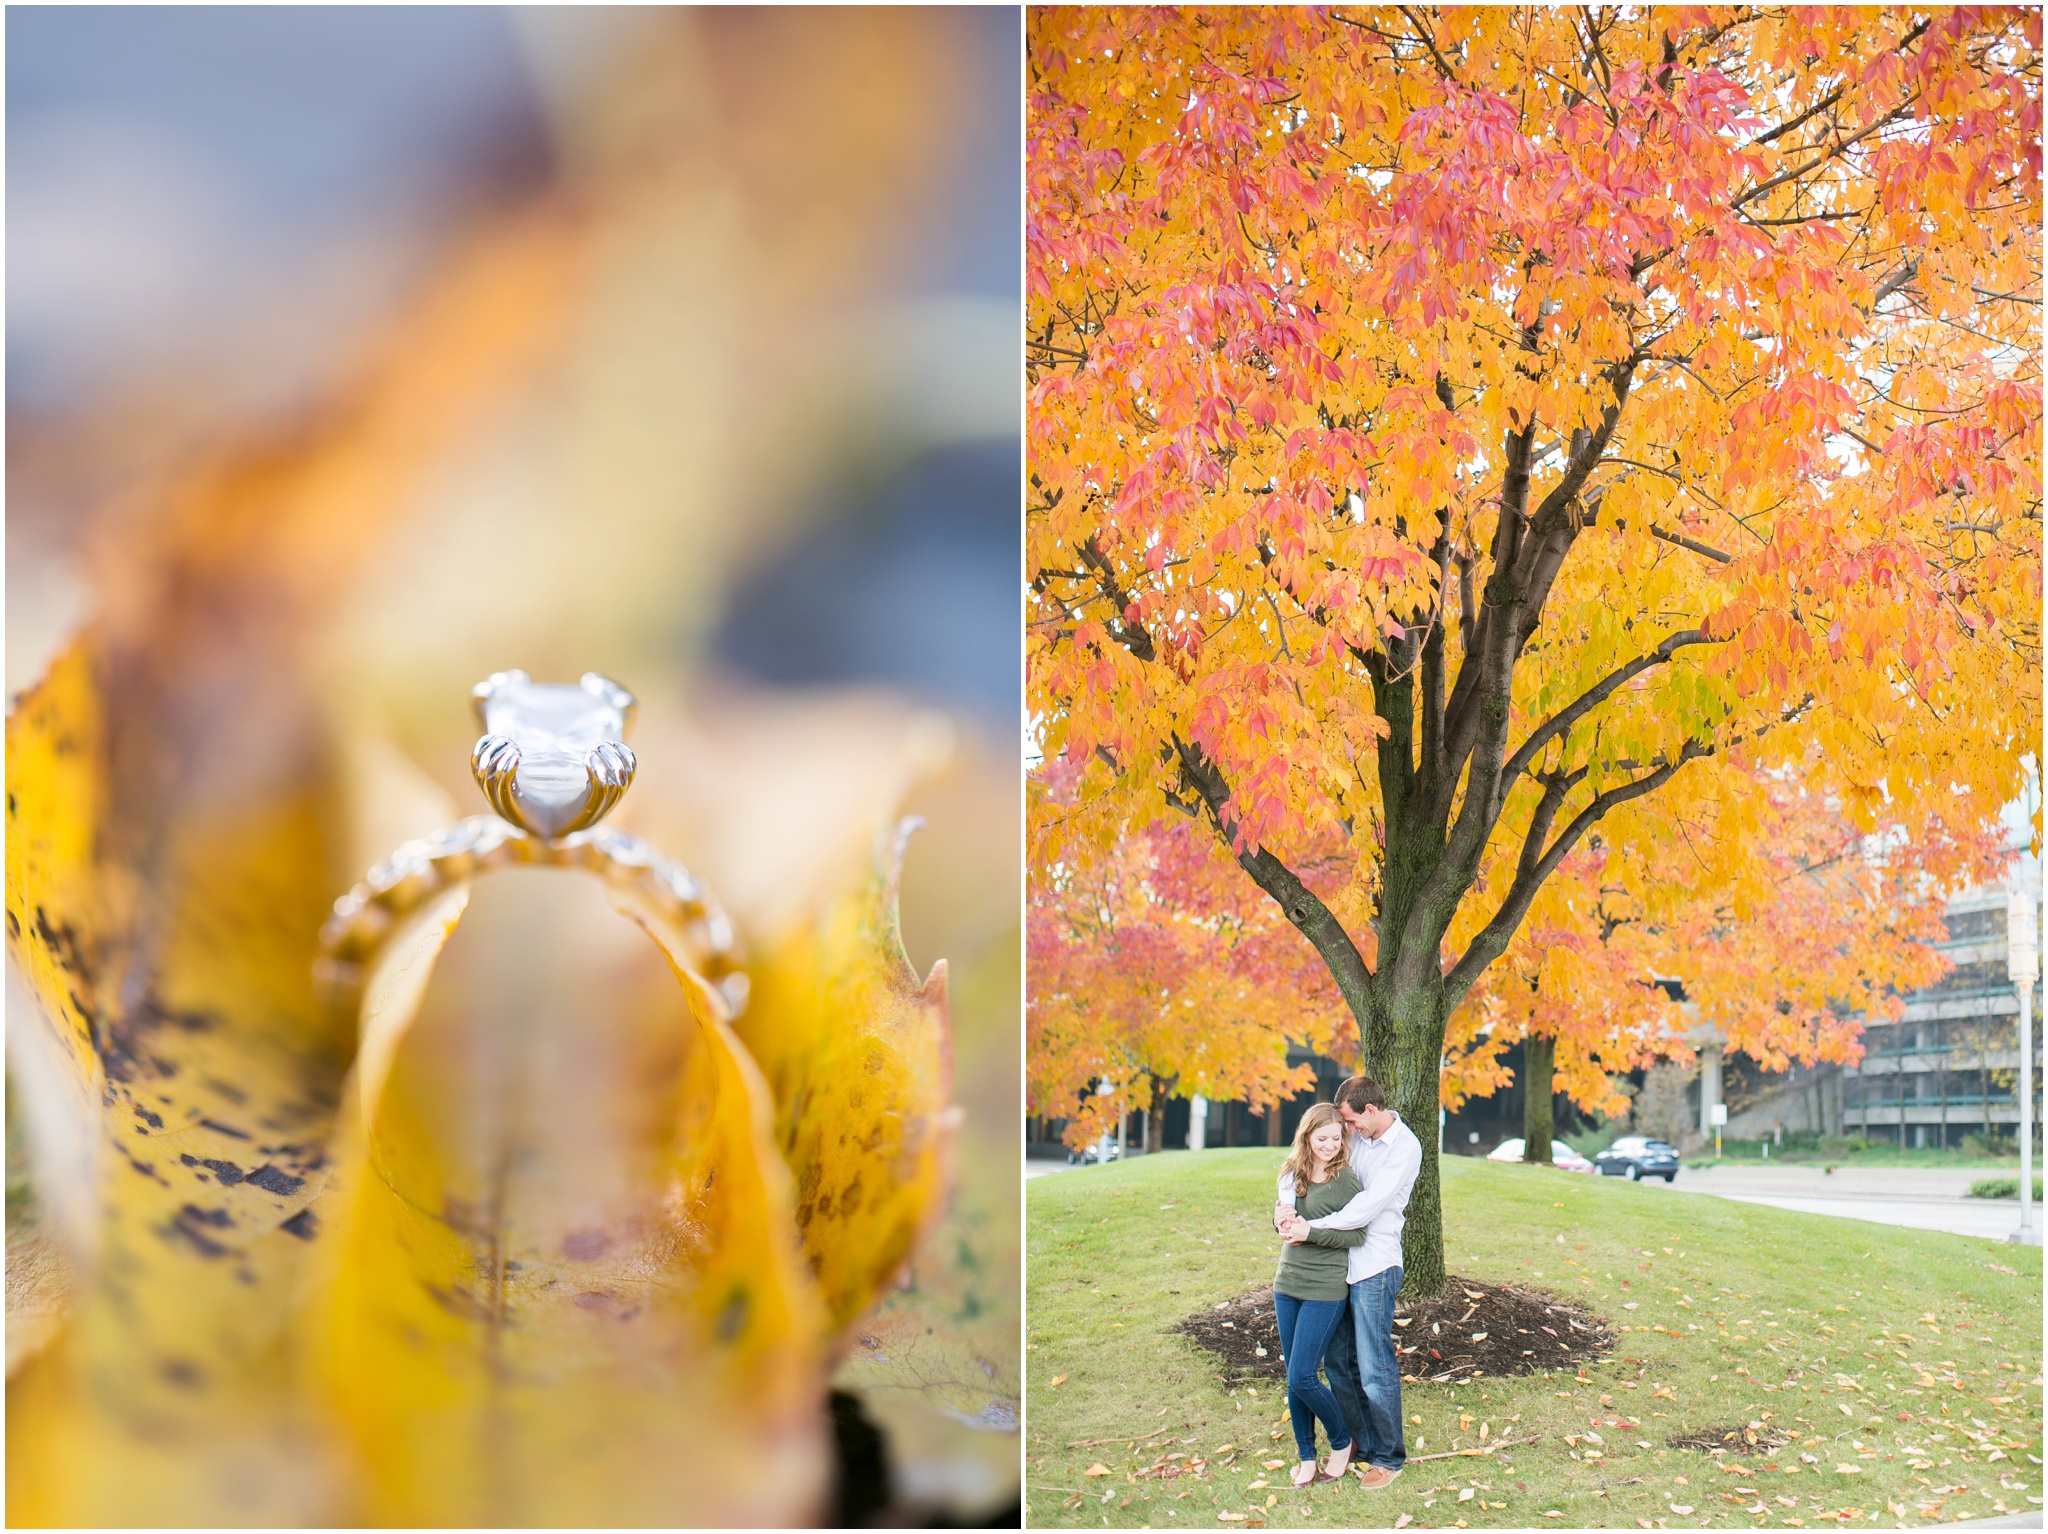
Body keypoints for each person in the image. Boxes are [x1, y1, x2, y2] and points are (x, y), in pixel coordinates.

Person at [1274, 1074, 1421, 1490]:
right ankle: (1360, 1441)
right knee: (1339, 1362)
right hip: (1335, 1268)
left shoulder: (1405, 1148)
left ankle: (1389, 1457)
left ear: (1370, 1112)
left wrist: (1308, 1228)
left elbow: (1365, 1209)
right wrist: (1284, 1212)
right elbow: (1309, 1164)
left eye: (1353, 1124)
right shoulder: (1355, 1135)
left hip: (1374, 1263)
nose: (1348, 1133)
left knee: (1374, 1364)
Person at [1269, 1103, 1369, 1489]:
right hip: (1287, 1282)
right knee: (1294, 1379)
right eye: (1321, 1138)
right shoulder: (1291, 1172)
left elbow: (1357, 1235)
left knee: (1303, 1375)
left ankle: (1342, 1442)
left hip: (1326, 1288)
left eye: (1335, 1138)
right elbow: (1282, 1217)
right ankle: (1306, 1457)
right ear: (1307, 1136)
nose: (1329, 1145)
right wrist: (1278, 1220)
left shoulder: (1346, 1181)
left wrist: (1310, 1232)